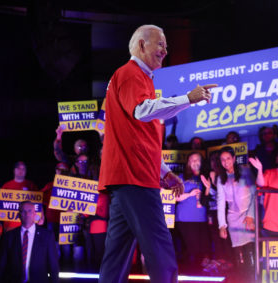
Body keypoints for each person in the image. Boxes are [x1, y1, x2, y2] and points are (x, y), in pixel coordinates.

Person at [98, 24, 216, 283]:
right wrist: (188, 98)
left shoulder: (140, 78)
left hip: (128, 177)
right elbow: (142, 110)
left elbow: (140, 138)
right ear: (142, 45)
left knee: (116, 256)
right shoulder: (130, 74)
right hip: (135, 178)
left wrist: (164, 172)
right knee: (160, 248)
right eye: (160, 44)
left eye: (165, 45)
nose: (165, 49)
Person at [0, 201, 59, 283]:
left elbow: (53, 265)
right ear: (19, 215)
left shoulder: (47, 236)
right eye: (23, 211)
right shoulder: (9, 236)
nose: (27, 214)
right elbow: (1, 264)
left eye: (30, 211)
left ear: (35, 214)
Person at [216, 146, 255, 279]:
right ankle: (242, 279)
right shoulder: (220, 178)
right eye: (222, 160)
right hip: (233, 218)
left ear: (233, 158)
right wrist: (222, 225)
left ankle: (253, 279)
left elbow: (255, 194)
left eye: (228, 158)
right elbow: (220, 203)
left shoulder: (245, 171)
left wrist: (251, 216)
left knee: (250, 251)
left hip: (248, 215)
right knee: (238, 254)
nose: (226, 162)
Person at [174, 152, 210, 273]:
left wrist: (208, 189)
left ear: (201, 162)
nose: (194, 162)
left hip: (201, 218)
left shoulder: (206, 177)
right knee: (190, 250)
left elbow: (210, 199)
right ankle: (188, 274)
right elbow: (175, 197)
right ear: (188, 163)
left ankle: (198, 275)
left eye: (197, 160)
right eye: (192, 160)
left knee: (202, 250)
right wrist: (189, 194)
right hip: (185, 218)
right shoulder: (181, 177)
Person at [0, 161, 39, 232]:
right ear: (14, 170)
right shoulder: (7, 186)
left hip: (28, 226)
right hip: (10, 227)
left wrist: (41, 216)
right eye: (18, 168)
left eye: (23, 169)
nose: (21, 171)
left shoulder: (31, 185)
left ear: (26, 171)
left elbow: (39, 204)